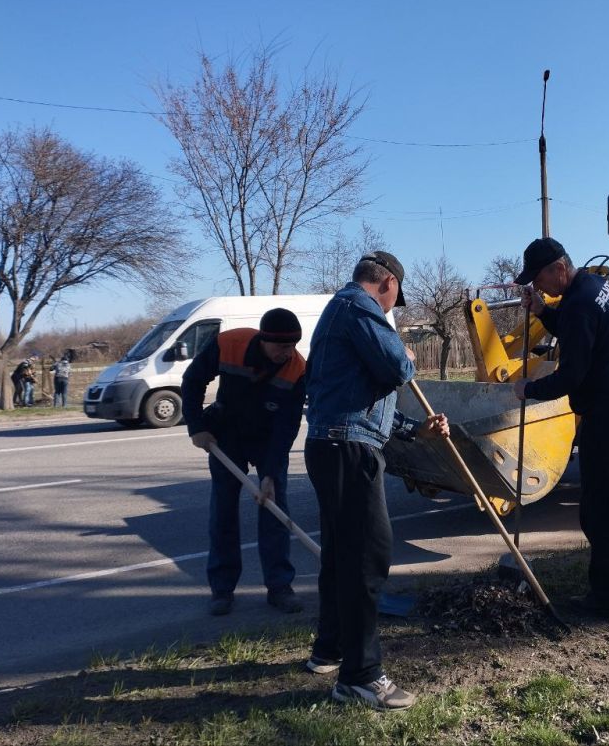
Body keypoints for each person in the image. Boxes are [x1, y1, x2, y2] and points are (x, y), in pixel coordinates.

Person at [304, 250, 450, 711]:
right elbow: (396, 369)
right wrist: (405, 351)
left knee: (341, 555)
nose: (392, 307)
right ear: (386, 282)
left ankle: (330, 649)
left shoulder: (341, 313)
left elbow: (364, 399)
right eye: (394, 299)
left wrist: (416, 430)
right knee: (368, 558)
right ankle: (361, 676)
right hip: (347, 450)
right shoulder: (358, 307)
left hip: (337, 444)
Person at [512, 237, 609, 618]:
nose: (538, 287)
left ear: (559, 269)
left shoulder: (580, 304)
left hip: (607, 414)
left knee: (601, 509)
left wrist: (528, 389)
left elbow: (571, 376)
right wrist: (545, 309)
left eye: (540, 279)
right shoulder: (598, 287)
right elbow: (576, 329)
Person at [181, 308, 308, 616]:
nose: (287, 352)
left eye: (292, 345)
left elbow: (288, 425)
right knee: (223, 511)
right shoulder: (229, 343)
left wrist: (271, 472)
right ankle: (222, 589)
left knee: (275, 510)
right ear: (263, 339)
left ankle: (279, 586)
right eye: (281, 346)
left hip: (268, 439)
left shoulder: (297, 368)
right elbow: (193, 381)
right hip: (227, 435)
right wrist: (197, 427)